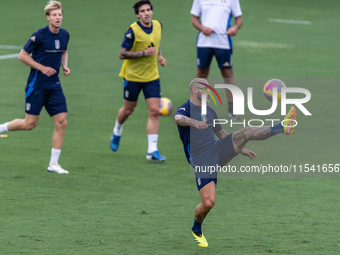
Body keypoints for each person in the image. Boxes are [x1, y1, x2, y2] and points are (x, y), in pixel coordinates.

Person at [174, 78, 297, 248]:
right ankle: (196, 228)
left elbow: (221, 132)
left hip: (217, 149)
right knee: (209, 202)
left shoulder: (209, 111)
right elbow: (178, 118)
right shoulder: (186, 108)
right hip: (201, 159)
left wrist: (240, 149)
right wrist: (194, 122)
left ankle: (282, 127)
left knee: (245, 132)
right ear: (195, 90)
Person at [0, 1, 70, 174]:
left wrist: (65, 66)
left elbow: (64, 51)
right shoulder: (38, 36)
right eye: (54, 15)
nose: (57, 17)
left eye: (59, 14)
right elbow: (22, 56)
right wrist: (42, 68)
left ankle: (53, 164)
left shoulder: (65, 35)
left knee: (61, 122)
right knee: (30, 124)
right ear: (48, 17)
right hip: (37, 85)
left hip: (54, 86)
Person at [110, 0, 167, 162]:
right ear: (137, 14)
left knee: (154, 111)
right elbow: (122, 54)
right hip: (133, 77)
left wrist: (160, 56)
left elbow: (156, 43)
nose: (146, 13)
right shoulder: (132, 31)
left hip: (152, 77)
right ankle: (117, 130)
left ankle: (152, 150)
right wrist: (144, 53)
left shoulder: (158, 25)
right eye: (142, 11)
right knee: (128, 110)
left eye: (149, 10)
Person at [190, 0, 243, 120]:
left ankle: (232, 108)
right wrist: (202, 28)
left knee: (227, 73)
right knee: (201, 73)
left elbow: (239, 19)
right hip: (204, 42)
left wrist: (235, 28)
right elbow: (194, 18)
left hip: (223, 43)